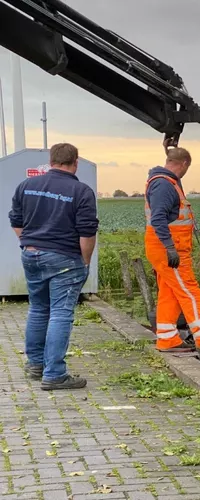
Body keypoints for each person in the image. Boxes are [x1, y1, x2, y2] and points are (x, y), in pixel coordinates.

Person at [8, 143, 98, 390]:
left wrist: (30, 244)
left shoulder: (27, 186)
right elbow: (87, 232)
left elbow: (15, 220)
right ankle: (55, 373)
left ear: (51, 160)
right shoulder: (81, 191)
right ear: (75, 162)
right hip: (65, 259)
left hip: (31, 255)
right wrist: (85, 261)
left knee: (38, 308)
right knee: (60, 312)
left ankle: (36, 363)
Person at [144, 145, 200, 352]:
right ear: (184, 164)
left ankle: (167, 339)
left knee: (171, 293)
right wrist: (169, 248)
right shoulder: (164, 186)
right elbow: (158, 218)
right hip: (169, 249)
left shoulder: (166, 182)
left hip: (167, 248)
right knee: (191, 292)